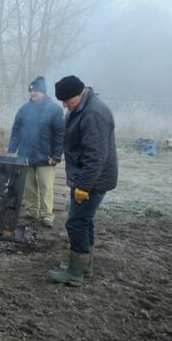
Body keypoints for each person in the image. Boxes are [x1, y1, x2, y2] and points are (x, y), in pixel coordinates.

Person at [48, 76, 117, 286]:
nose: (64, 105)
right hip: (85, 176)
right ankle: (85, 266)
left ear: (79, 93)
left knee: (75, 222)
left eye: (67, 100)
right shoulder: (81, 107)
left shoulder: (93, 114)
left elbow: (96, 156)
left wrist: (84, 186)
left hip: (92, 180)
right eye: (62, 101)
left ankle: (75, 272)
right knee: (84, 221)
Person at [7, 76, 64, 227]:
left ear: (43, 92)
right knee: (29, 185)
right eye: (31, 91)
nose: (32, 94)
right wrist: (12, 149)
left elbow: (59, 134)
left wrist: (57, 155)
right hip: (26, 154)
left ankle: (47, 215)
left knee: (46, 186)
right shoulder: (24, 109)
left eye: (36, 91)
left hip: (46, 156)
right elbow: (16, 130)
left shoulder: (54, 110)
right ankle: (32, 211)